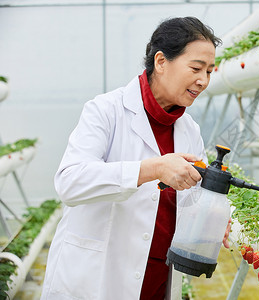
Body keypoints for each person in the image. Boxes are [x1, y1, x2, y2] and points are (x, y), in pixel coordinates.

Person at [41, 16, 229, 300]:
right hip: (98, 280)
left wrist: (212, 218)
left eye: (210, 71)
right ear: (162, 62)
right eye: (196, 68)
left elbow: (189, 200)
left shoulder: (189, 129)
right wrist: (152, 168)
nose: (203, 81)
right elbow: (70, 182)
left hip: (155, 280)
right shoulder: (105, 111)